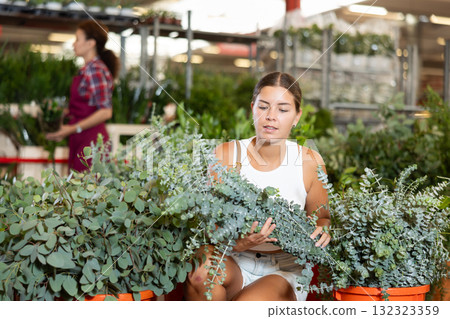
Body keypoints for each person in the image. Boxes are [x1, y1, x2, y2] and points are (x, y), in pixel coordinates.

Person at [185, 72, 331, 301]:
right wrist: (239, 242)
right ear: (252, 108)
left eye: (283, 110)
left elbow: (322, 218)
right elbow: (208, 225)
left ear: (296, 116)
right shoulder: (225, 155)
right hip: (233, 258)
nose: (271, 116)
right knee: (201, 272)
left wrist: (323, 229)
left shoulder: (310, 162)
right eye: (263, 107)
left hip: (283, 269)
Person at [47, 20, 118, 172]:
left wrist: (73, 128)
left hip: (92, 141)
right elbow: (85, 106)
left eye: (77, 39)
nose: (74, 44)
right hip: (81, 138)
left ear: (91, 43)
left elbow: (106, 111)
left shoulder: (96, 70)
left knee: (85, 190)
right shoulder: (86, 70)